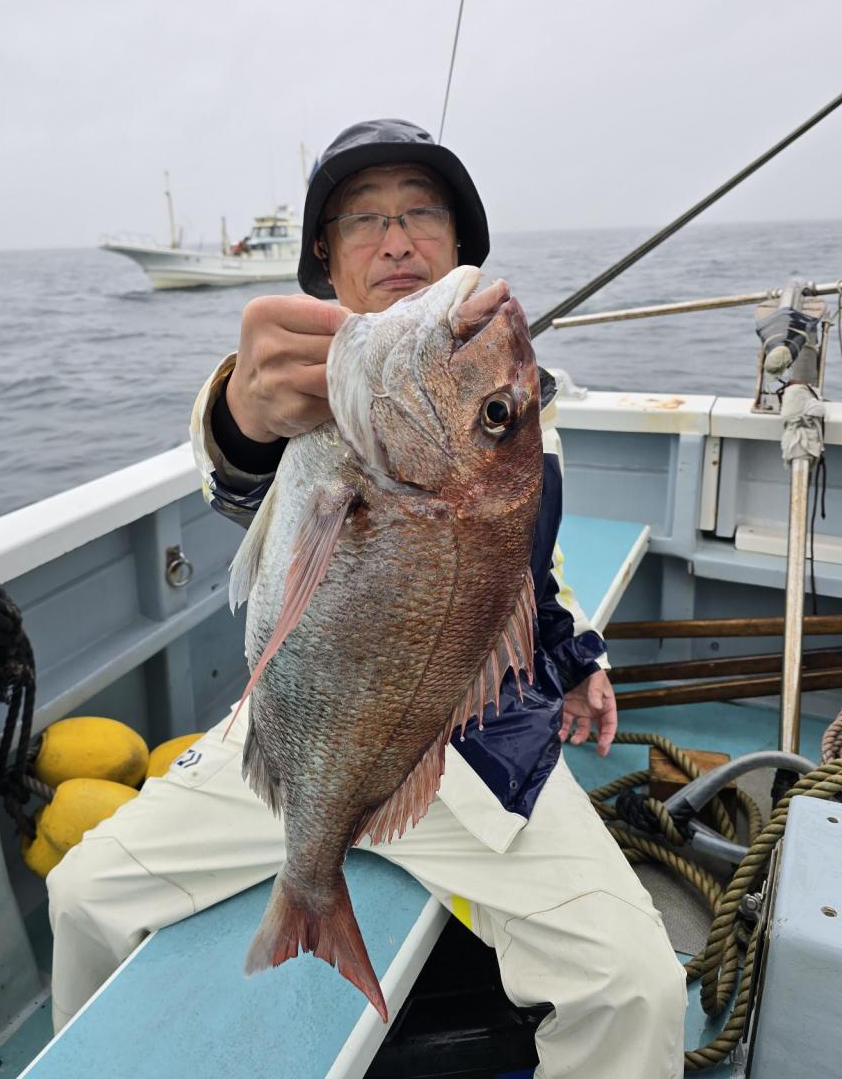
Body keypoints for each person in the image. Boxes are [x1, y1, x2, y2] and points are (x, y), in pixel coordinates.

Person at [48, 119, 686, 1077]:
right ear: (326, 260)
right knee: (83, 896)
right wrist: (242, 412)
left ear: (460, 246)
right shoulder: (297, 387)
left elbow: (527, 570)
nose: (396, 240)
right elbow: (239, 468)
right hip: (303, 725)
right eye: (364, 219)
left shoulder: (503, 406)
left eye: (422, 213)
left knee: (637, 989)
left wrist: (578, 658)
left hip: (483, 742)